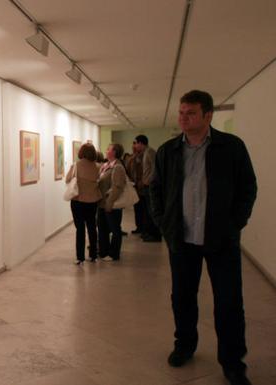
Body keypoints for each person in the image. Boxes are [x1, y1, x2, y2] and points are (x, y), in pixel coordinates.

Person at [150, 90, 257, 385]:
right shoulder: (168, 151)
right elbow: (155, 191)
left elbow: (248, 187)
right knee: (182, 298)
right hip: (181, 240)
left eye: (191, 113)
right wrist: (163, 223)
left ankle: (233, 361)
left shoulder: (231, 147)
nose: (183, 118)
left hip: (222, 240)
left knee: (229, 302)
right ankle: (184, 345)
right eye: (181, 112)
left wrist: (235, 223)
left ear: (208, 115)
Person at [66, 143, 102, 265]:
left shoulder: (76, 165)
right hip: (92, 201)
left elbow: (67, 179)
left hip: (78, 201)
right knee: (92, 227)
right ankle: (93, 255)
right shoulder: (97, 167)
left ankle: (80, 257)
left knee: (80, 229)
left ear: (81, 152)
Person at [97, 143, 127, 261]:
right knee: (102, 228)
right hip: (102, 203)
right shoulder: (106, 165)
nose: (106, 150)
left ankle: (114, 254)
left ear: (114, 152)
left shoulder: (118, 167)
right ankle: (104, 251)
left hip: (112, 204)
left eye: (108, 149)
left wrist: (109, 203)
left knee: (115, 229)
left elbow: (117, 187)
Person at [134, 134, 161, 242]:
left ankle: (155, 235)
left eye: (136, 143)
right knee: (147, 211)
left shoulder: (150, 152)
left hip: (150, 186)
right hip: (146, 186)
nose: (135, 146)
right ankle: (149, 233)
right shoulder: (145, 153)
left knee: (151, 211)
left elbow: (155, 168)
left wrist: (148, 180)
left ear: (141, 143)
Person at [126, 140, 145, 234]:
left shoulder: (142, 157)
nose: (134, 147)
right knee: (137, 209)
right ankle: (139, 227)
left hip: (142, 187)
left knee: (143, 209)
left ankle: (143, 228)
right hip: (135, 186)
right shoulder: (131, 158)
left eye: (136, 145)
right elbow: (129, 170)